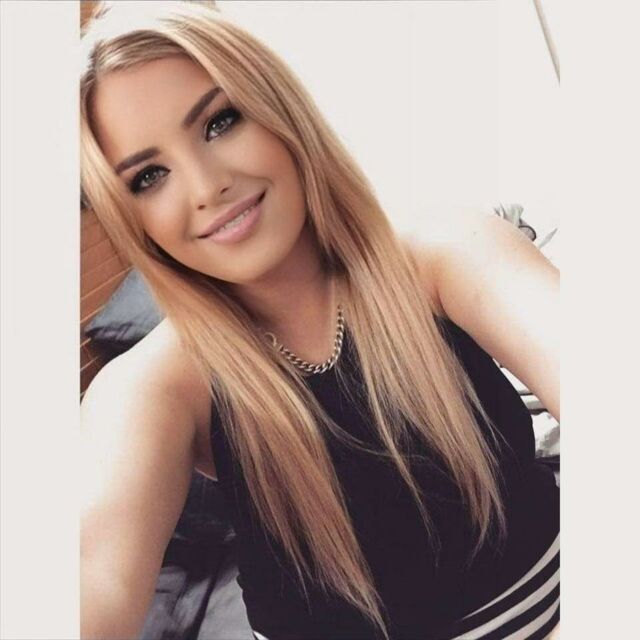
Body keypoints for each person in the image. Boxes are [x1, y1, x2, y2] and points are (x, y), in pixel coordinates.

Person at [80, 2, 560, 639]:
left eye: (220, 121)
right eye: (149, 176)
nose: (204, 186)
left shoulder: (446, 252)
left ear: (280, 108)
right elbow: (93, 576)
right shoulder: (150, 387)